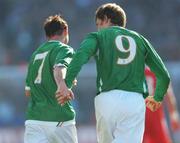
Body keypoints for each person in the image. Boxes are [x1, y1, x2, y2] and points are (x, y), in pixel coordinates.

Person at [56, 3, 170, 143]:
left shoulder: (97, 36)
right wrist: (157, 97)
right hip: (134, 101)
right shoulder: (140, 39)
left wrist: (66, 84)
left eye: (99, 23)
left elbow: (79, 58)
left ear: (106, 19)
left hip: (106, 100)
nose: (98, 28)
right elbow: (164, 76)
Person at [24, 15, 78, 143]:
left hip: (34, 121)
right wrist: (61, 85)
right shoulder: (64, 49)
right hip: (59, 119)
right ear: (66, 30)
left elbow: (28, 91)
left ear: (47, 34)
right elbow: (59, 68)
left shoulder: (35, 55)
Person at [143, 67, 180, 143]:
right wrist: (173, 114)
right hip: (155, 116)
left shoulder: (134, 72)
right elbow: (169, 94)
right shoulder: (157, 70)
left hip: (140, 116)